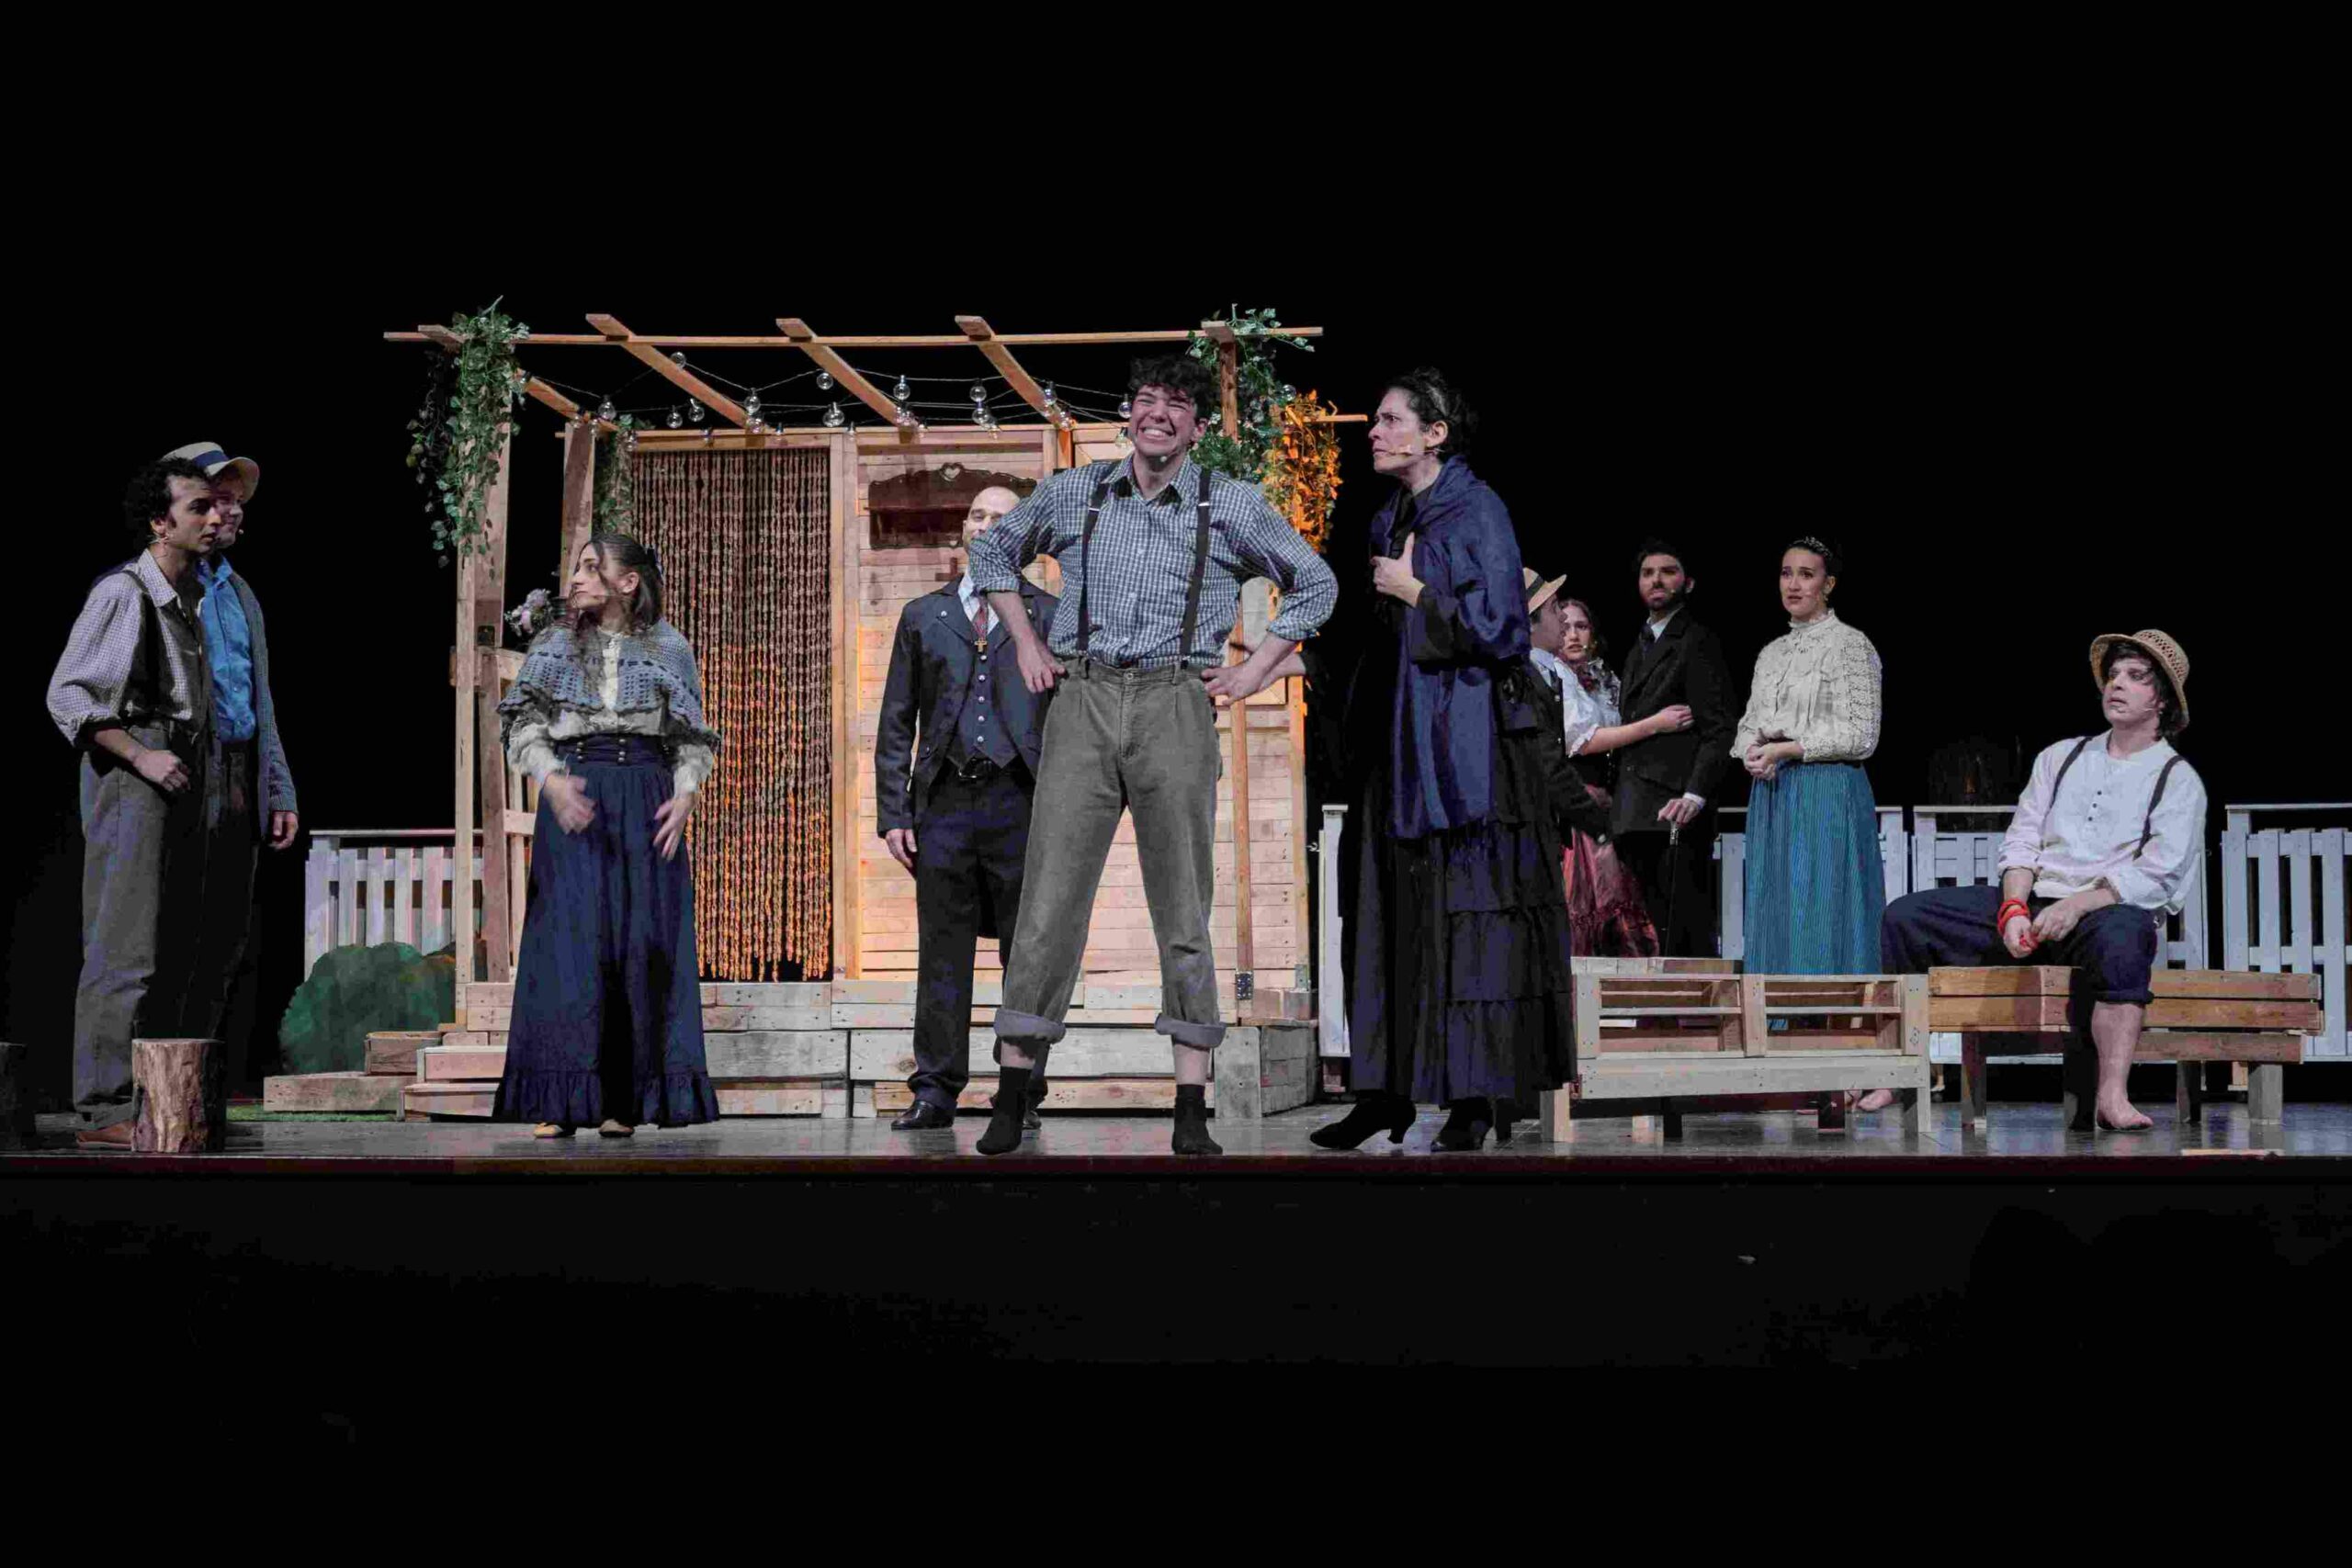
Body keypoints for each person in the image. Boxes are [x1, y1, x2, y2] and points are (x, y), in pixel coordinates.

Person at [968, 355, 1338, 1156]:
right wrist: (1026, 639)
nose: (1157, 413)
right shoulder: (1077, 491)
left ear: (1197, 426)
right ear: (1128, 416)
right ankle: (1012, 1092)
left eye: (1175, 404)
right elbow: (992, 555)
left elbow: (1316, 584)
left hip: (1175, 699)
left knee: (1183, 907)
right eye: (1145, 400)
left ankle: (1190, 1106)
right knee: (1048, 902)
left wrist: (1254, 670)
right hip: (1085, 697)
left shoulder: (1229, 503)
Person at [1312, 371, 1577, 1153]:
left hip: (1465, 750)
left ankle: (1474, 1099)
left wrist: (1416, 592)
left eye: (1391, 419)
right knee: (1386, 915)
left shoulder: (1478, 509)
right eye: (1377, 420)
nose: (1374, 431)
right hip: (1396, 744)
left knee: (1469, 919)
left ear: (1435, 434)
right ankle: (1382, 1092)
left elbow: (1503, 629)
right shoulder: (1390, 514)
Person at [1881, 632, 2204, 1131]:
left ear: (2161, 700)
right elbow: (2023, 839)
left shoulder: (2176, 778)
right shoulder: (2062, 756)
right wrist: (2013, 908)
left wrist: (2075, 906)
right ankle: (1901, 1070)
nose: (2116, 684)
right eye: (2113, 675)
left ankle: (2112, 1094)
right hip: (2033, 901)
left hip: (2101, 913)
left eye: (2135, 677)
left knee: (2128, 933)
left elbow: (2158, 875)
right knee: (1906, 917)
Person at [494, 534, 722, 1137]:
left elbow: (691, 735)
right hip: (579, 790)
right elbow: (522, 723)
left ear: (629, 582)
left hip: (645, 793)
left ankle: (625, 1099)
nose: (577, 577)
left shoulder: (668, 646)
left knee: (640, 944)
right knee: (569, 943)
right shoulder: (554, 645)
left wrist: (685, 793)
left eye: (593, 567)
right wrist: (550, 779)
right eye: (577, 567)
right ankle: (562, 1098)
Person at [46, 458, 226, 1148]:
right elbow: (68, 694)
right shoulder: (125, 593)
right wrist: (141, 755)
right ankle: (101, 1107)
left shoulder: (188, 597)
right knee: (122, 947)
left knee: (167, 946)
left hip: (175, 765)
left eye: (216, 506)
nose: (215, 517)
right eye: (198, 506)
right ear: (160, 522)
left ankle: (154, 1097)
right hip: (133, 770)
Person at [875, 487, 1058, 1132]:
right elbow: (896, 720)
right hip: (945, 803)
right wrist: (894, 813)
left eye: (1000, 517)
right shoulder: (924, 615)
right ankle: (935, 1090)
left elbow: (1068, 720)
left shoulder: (1049, 615)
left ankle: (1020, 1091)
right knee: (941, 954)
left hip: (1021, 801)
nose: (984, 524)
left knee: (1026, 954)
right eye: (977, 515)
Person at [161, 443, 300, 1089]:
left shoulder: (238, 591)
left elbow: (259, 696)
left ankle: (194, 1083)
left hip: (240, 771)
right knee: (171, 930)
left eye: (236, 501)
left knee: (224, 936)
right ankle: (148, 1078)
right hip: (186, 766)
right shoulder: (162, 585)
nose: (231, 512)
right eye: (216, 499)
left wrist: (278, 786)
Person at [1731, 536, 1885, 965]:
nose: (1793, 585)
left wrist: (1787, 749)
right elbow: (1749, 723)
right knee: (1776, 906)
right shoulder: (1770, 653)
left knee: (1820, 908)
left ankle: (1829, 1001)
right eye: (1786, 574)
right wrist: (1753, 752)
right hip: (1773, 792)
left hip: (1827, 790)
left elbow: (1862, 735)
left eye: (1806, 575)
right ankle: (1774, 1003)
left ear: (1828, 584)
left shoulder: (1850, 644)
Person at [1530, 588, 1684, 955]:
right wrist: (1654, 725)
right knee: (1588, 899)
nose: (1572, 634)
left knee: (1619, 899)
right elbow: (1585, 742)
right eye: (1565, 624)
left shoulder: (1603, 679)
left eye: (1581, 626)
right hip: (1577, 800)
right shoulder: (1553, 677)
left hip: (1609, 799)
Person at [1612, 539, 1737, 955]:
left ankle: (1695, 1002)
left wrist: (1694, 795)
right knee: (1649, 936)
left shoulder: (1697, 640)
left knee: (1684, 930)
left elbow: (1720, 729)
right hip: (1635, 811)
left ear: (1688, 583)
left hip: (1674, 809)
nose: (1656, 580)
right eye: (1648, 573)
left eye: (1668, 571)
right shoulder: (1639, 644)